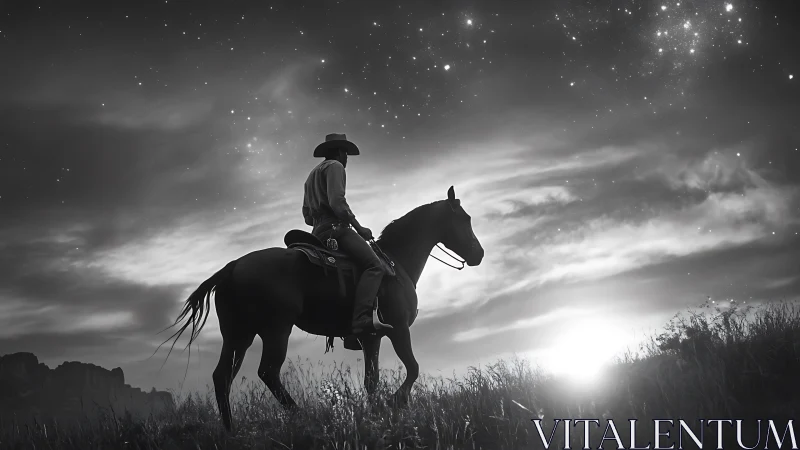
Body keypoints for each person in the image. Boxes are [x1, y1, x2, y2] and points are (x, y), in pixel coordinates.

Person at [302, 133, 392, 335]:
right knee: (374, 266)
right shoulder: (335, 167)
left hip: (316, 232)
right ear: (341, 152)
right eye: (346, 155)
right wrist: (359, 228)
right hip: (336, 229)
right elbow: (338, 203)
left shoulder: (310, 176)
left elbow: (307, 216)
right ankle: (361, 320)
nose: (347, 159)